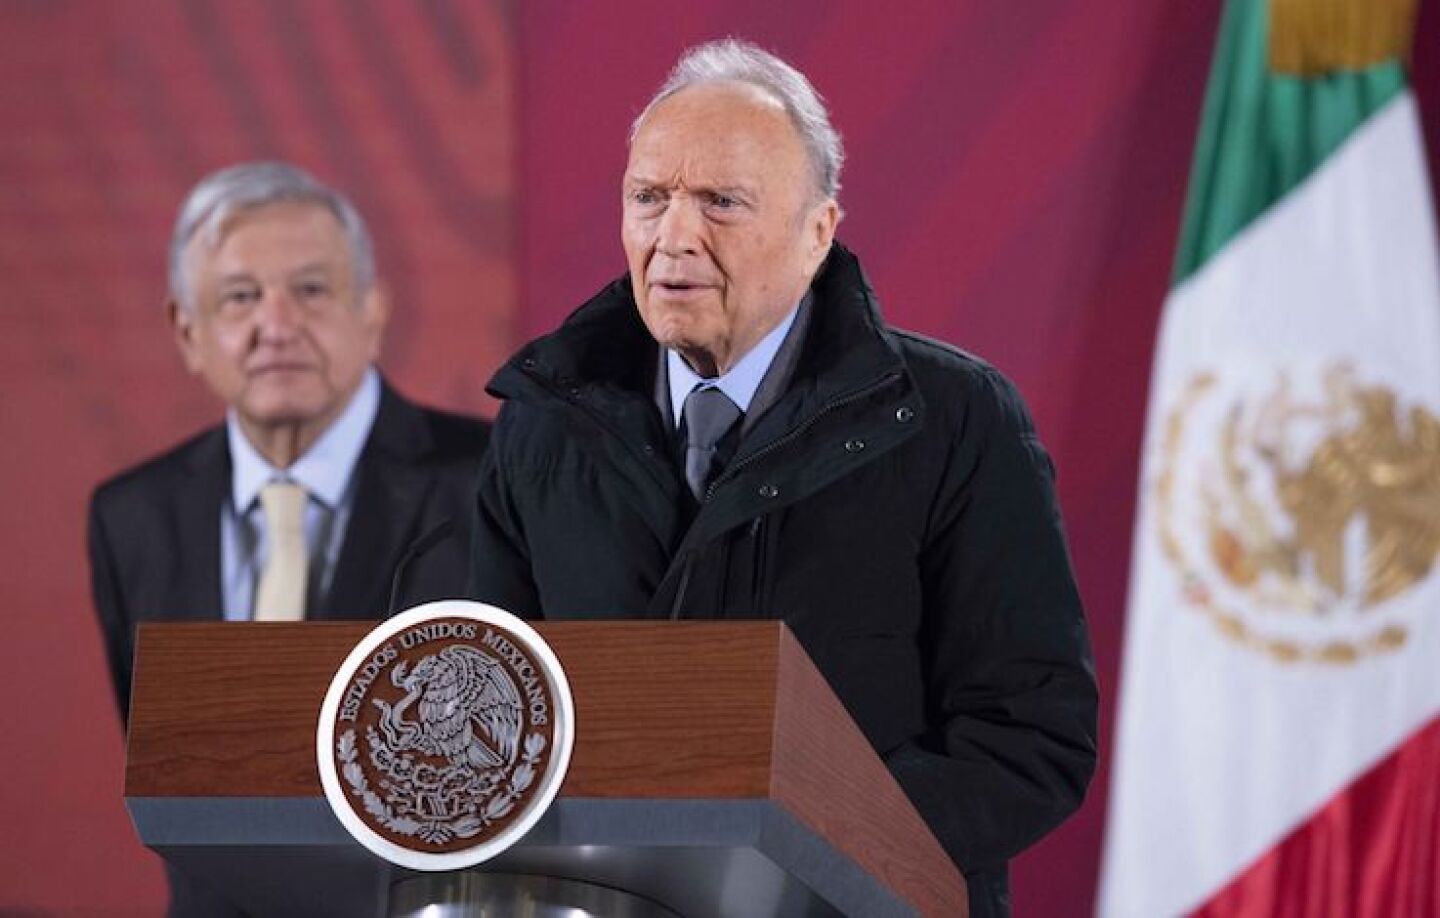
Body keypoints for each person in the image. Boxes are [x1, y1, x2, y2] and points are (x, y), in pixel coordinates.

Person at [467, 39, 1097, 918]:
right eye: (648, 198)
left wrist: (795, 851)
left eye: (721, 202)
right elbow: (477, 707)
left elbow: (1030, 738)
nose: (673, 236)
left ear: (818, 233)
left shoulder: (958, 418)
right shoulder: (543, 424)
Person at [88, 162, 490, 915]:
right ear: (187, 330)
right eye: (239, 298)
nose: (277, 326)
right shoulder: (130, 517)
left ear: (371, 309)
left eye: (310, 290)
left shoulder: (490, 485)